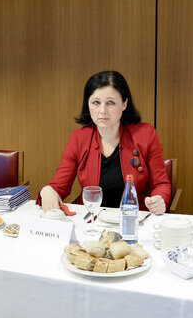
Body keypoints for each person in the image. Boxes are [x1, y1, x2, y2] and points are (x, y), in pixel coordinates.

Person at [39, 71, 171, 213]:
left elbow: (161, 184)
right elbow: (60, 186)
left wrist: (159, 199)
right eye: (96, 102)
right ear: (88, 104)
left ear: (124, 104)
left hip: (132, 219)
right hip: (91, 219)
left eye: (111, 103)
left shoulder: (145, 134)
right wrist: (47, 191)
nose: (102, 110)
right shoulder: (79, 138)